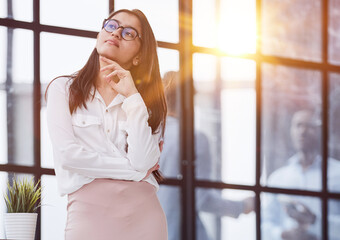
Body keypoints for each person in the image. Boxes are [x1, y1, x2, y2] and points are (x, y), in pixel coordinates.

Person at [45, 9, 168, 240]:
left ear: (139, 56)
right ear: (100, 34)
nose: (117, 33)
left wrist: (132, 96)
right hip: (88, 216)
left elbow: (142, 159)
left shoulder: (145, 104)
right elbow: (68, 157)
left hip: (144, 217)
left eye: (129, 32)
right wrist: (135, 171)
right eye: (112, 25)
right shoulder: (62, 89)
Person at [157, 71, 255, 240]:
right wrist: (243, 206)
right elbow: (201, 198)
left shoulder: (148, 136)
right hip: (183, 233)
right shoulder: (195, 138)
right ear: (189, 99)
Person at [262, 109, 340, 240]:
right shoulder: (277, 178)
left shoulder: (338, 174)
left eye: (309, 126)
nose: (302, 131)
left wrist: (315, 221)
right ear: (291, 131)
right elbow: (264, 224)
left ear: (320, 132)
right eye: (298, 125)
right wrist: (283, 235)